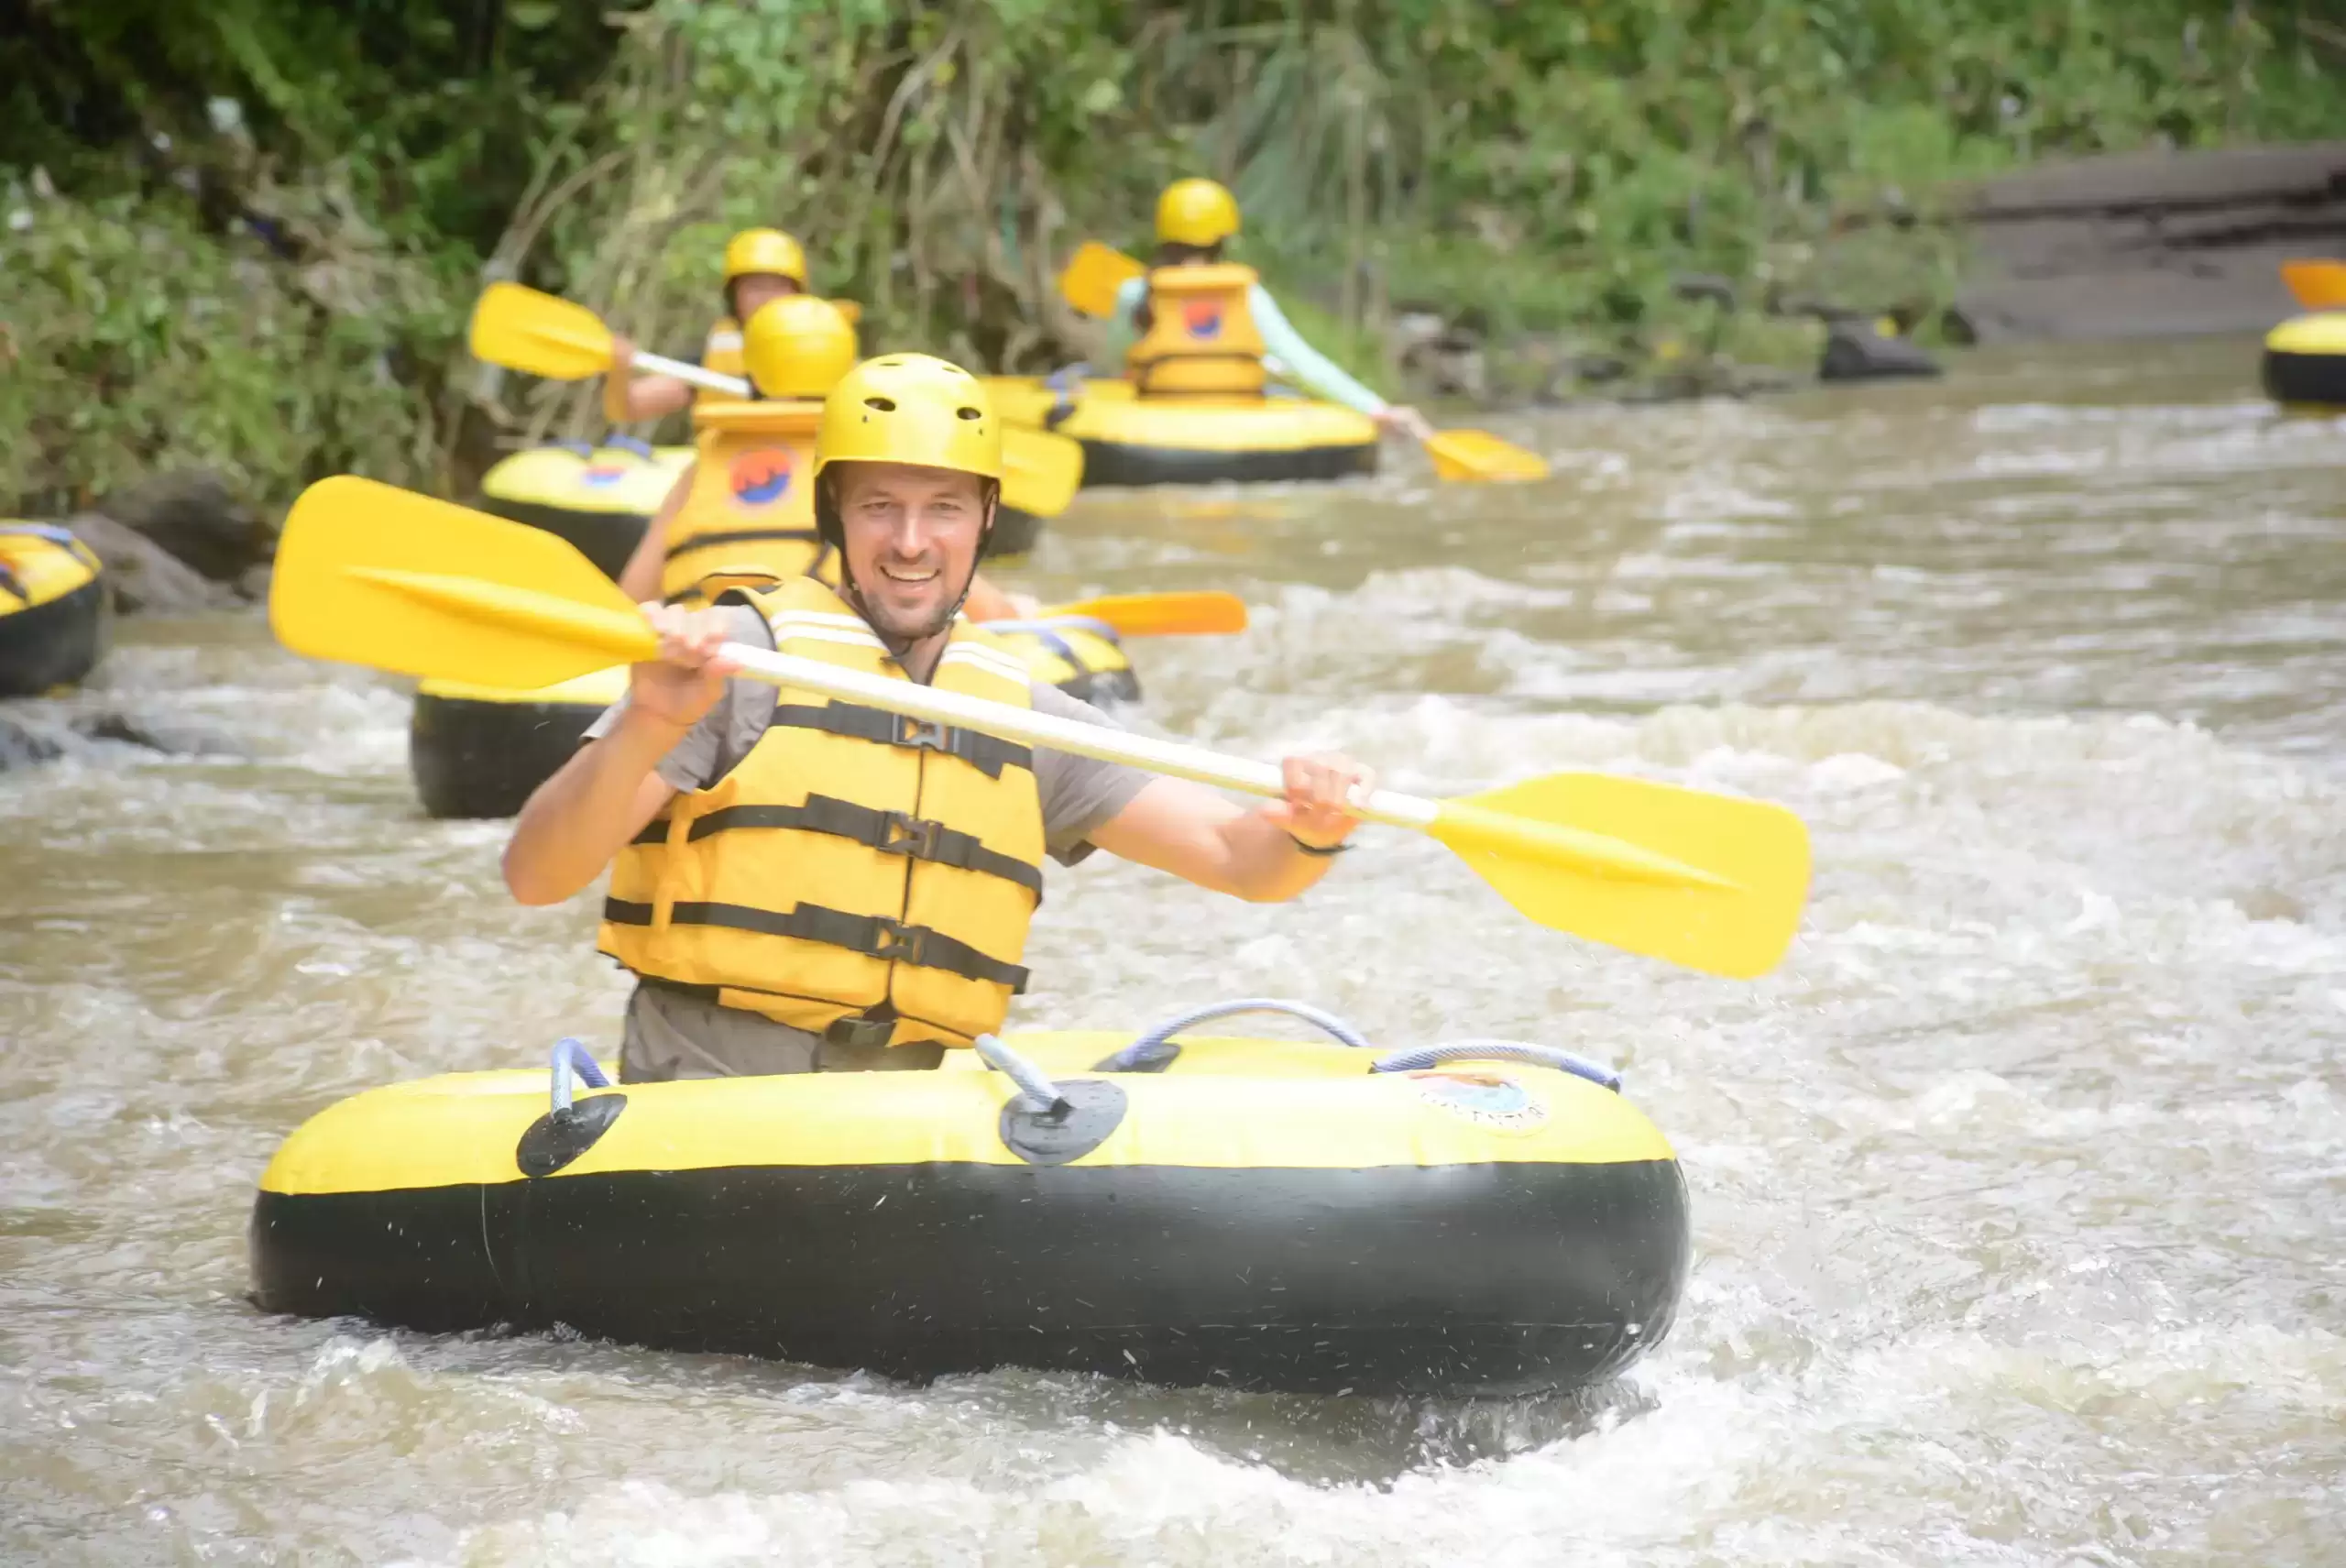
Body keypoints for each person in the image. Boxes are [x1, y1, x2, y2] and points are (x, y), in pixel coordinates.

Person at [506, 353, 1371, 1082]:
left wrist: (1311, 827)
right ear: (833, 514)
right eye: (881, 504)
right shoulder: (733, 665)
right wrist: (647, 722)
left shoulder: (1025, 715)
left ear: (987, 518)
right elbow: (537, 876)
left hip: (908, 1114)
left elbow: (1240, 859)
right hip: (713, 1094)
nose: (911, 540)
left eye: (944, 508)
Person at [611, 295, 1027, 622]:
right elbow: (980, 609)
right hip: (823, 657)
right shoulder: (860, 461)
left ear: (754, 369)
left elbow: (633, 599)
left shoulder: (704, 467)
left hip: (709, 644)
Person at [1095, 179, 1433, 440]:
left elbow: (1117, 361)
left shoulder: (1134, 293)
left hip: (1157, 425)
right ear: (1224, 236)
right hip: (1239, 423)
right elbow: (1302, 363)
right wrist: (1376, 409)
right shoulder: (1246, 296)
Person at [601, 227, 809, 426]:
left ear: (798, 294)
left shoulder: (822, 350)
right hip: (727, 459)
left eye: (778, 287)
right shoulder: (711, 354)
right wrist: (619, 370)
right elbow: (628, 407)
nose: (766, 298)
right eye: (755, 287)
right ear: (734, 296)